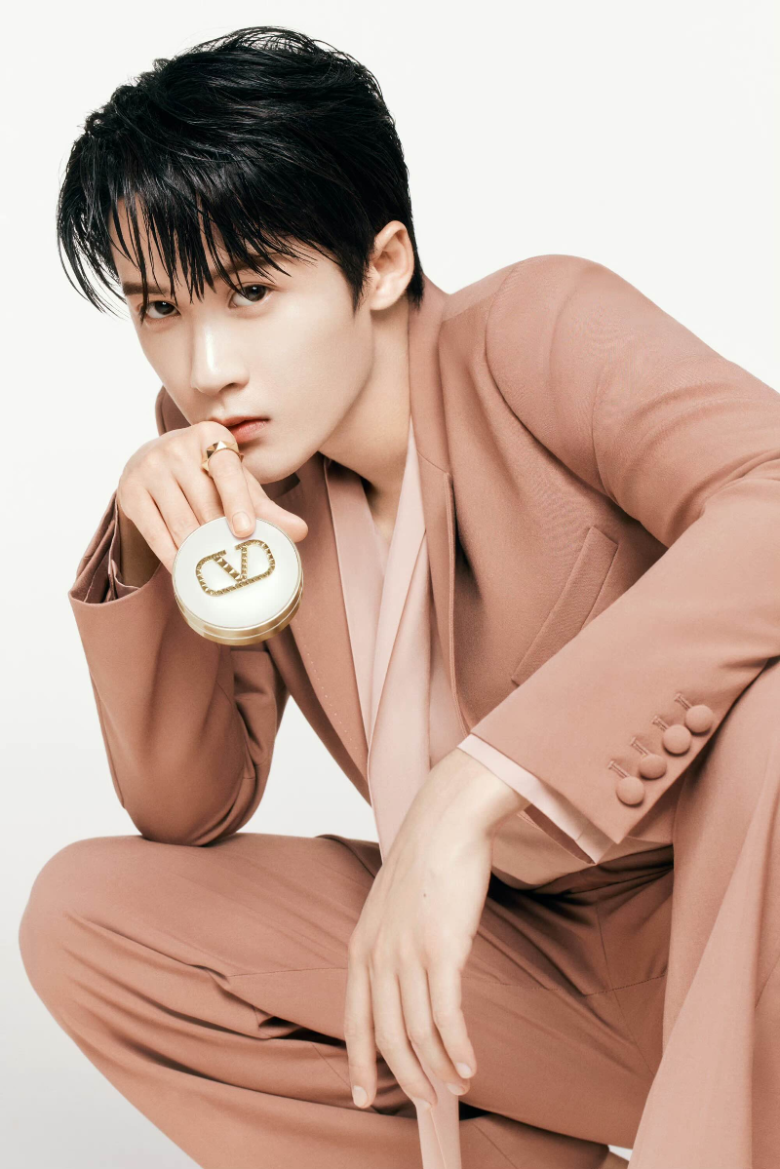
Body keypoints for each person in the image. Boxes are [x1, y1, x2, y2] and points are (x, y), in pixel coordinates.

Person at [18, 24, 780, 1169]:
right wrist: (146, 541)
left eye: (251, 289)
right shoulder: (237, 457)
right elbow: (190, 807)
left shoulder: (534, 328)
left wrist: (473, 787)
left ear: (380, 265)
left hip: (737, 940)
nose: (204, 365)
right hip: (521, 980)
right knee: (88, 916)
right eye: (159, 307)